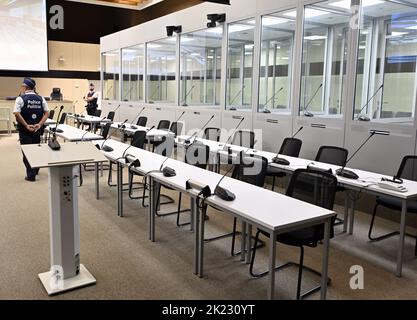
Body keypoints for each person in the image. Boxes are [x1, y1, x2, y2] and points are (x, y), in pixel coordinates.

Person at [13, 78, 49, 182]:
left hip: (25, 130)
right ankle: (36, 169)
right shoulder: (41, 98)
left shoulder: (20, 99)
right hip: (37, 129)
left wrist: (26, 125)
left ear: (27, 87)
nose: (22, 88)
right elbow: (47, 112)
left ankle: (31, 175)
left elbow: (16, 113)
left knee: (27, 151)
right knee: (36, 149)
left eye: (23, 86)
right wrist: (39, 124)